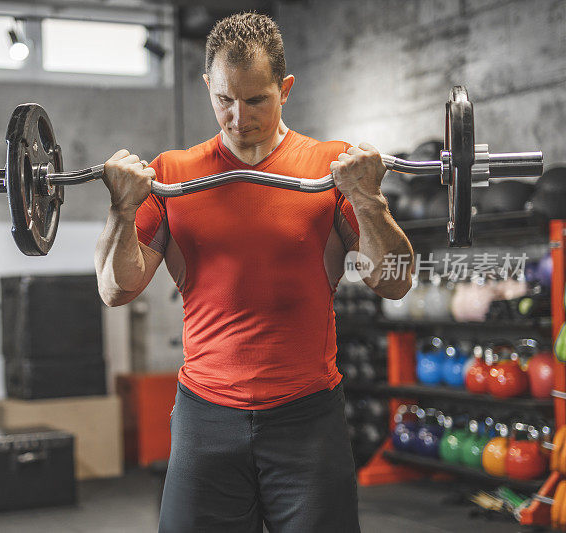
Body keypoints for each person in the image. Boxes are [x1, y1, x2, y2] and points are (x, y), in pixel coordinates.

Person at [94, 12, 413, 533]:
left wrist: (367, 197)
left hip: (307, 418)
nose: (238, 117)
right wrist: (121, 209)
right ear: (207, 88)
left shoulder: (330, 166)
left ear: (284, 89)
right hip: (205, 418)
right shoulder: (173, 174)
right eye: (224, 99)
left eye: (256, 99)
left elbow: (395, 280)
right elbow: (115, 288)